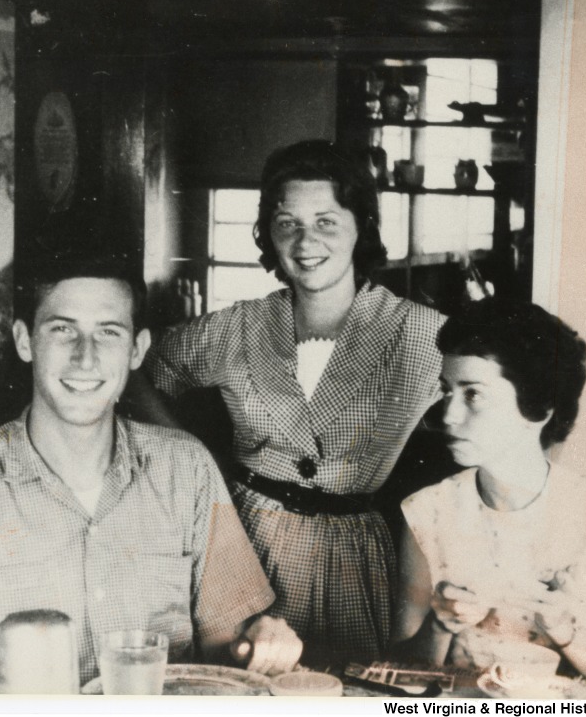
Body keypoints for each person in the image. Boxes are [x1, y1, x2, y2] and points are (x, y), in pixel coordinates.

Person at [0, 254, 303, 692]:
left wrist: (261, 643)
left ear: (137, 349)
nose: (85, 356)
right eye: (62, 329)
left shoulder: (187, 469)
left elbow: (227, 651)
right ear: (24, 341)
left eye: (108, 333)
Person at [134, 140, 446, 666]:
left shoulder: (419, 332)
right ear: (269, 234)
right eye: (287, 223)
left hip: (354, 553)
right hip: (244, 545)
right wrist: (192, 454)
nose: (305, 242)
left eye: (326, 221)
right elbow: (138, 366)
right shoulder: (239, 326)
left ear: (361, 226)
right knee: (241, 683)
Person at [393, 299, 586, 687]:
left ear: (538, 408)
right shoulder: (427, 511)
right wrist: (439, 625)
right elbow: (402, 675)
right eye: (447, 390)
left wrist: (569, 636)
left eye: (473, 394)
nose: (449, 414)